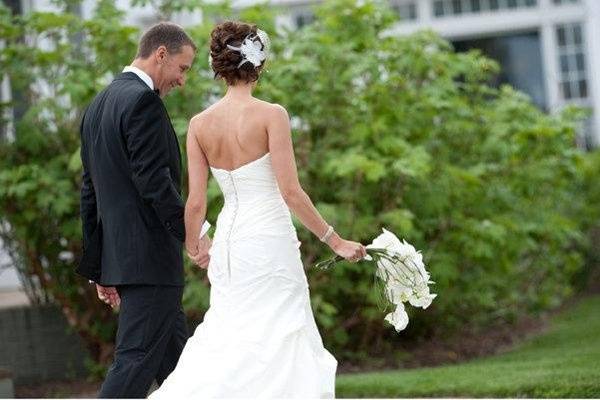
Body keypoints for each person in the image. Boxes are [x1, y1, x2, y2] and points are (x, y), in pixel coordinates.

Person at [149, 21, 367, 399]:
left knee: (229, 336)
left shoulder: (199, 125)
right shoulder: (272, 115)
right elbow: (291, 192)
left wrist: (194, 245)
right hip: (267, 239)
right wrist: (335, 241)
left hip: (230, 244)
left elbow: (196, 201)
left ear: (219, 66)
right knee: (279, 337)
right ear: (258, 64)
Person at [77, 22, 211, 398]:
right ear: (161, 54)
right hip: (149, 264)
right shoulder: (142, 102)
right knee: (133, 364)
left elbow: (90, 192)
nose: (182, 80)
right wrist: (195, 232)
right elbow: (155, 183)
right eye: (183, 69)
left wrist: (99, 265)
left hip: (131, 262)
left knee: (181, 371)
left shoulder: (97, 106)